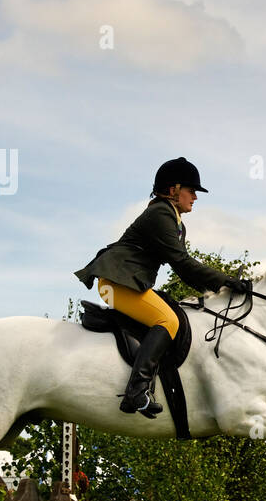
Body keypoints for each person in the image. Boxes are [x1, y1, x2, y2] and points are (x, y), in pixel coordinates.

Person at [74, 157, 250, 419]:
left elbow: (183, 269)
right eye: (191, 191)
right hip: (116, 281)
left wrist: (219, 290)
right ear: (173, 190)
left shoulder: (177, 222)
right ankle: (136, 390)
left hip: (127, 281)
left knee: (172, 313)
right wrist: (224, 281)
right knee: (167, 319)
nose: (195, 197)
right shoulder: (160, 213)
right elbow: (183, 262)